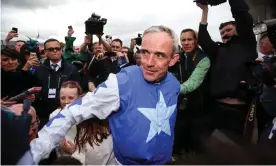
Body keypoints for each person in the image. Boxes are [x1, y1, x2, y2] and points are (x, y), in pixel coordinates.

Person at [30, 25, 180, 165]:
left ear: (173, 59)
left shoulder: (174, 83)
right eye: (145, 52)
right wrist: (31, 155)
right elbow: (70, 113)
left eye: (159, 55)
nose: (149, 62)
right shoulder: (120, 83)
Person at [197, 0, 257, 143]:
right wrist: (204, 10)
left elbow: (242, 16)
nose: (225, 34)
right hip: (216, 109)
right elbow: (203, 39)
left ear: (238, 30)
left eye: (228, 30)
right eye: (222, 32)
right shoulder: (217, 51)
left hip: (240, 111)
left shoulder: (246, 43)